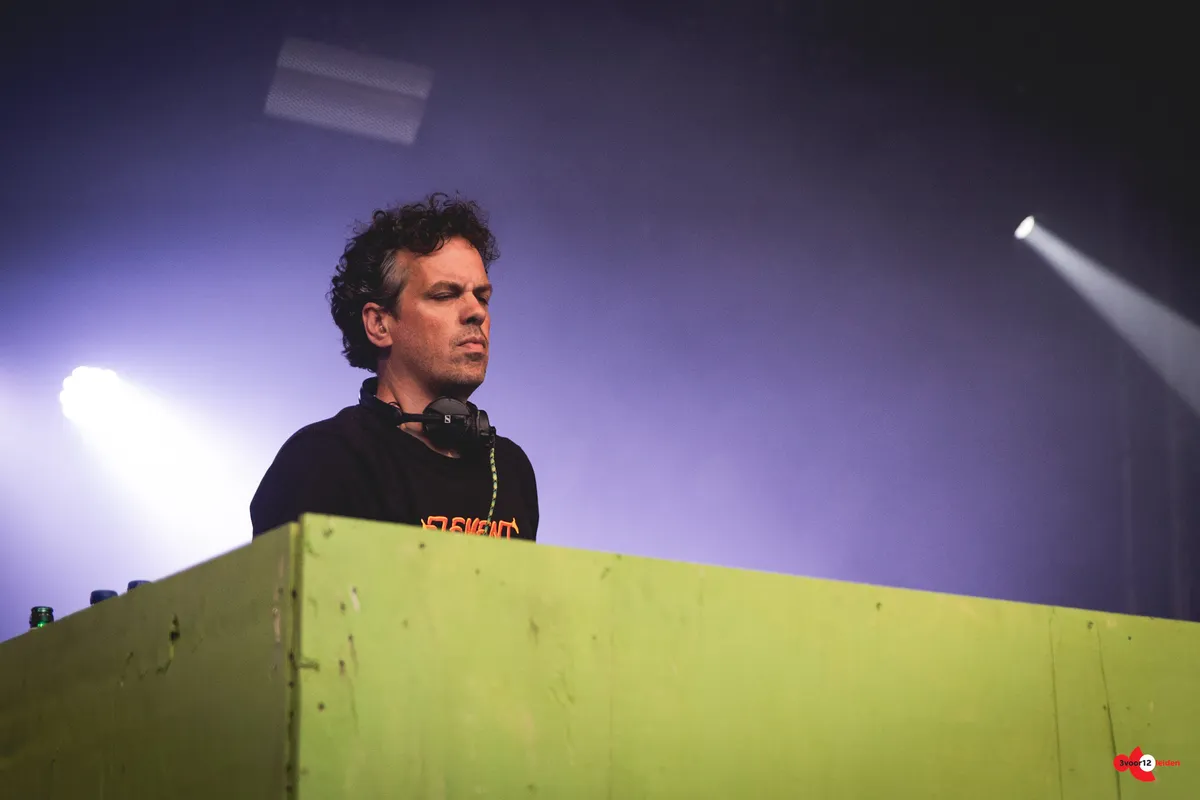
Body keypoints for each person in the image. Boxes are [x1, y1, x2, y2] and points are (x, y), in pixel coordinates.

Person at [250, 193, 538, 542]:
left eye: (482, 296)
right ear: (379, 324)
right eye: (445, 295)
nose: (476, 311)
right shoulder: (323, 459)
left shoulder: (508, 468)